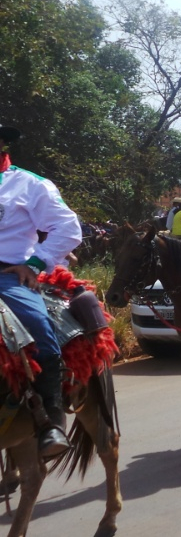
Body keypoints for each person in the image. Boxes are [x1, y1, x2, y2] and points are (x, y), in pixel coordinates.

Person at [0, 123, 82, 458]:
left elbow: (67, 227)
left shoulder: (29, 184)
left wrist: (35, 264)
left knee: (37, 325)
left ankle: (50, 420)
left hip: (8, 273)